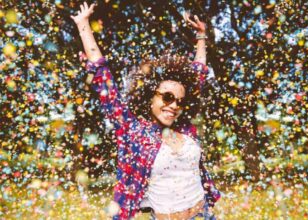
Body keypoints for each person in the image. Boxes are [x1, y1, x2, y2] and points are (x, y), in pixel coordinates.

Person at [71, 2, 221, 219]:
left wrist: (201, 37)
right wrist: (83, 24)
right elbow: (102, 75)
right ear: (150, 97)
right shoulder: (132, 130)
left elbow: (197, 74)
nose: (174, 105)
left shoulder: (185, 129)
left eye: (179, 101)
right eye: (167, 97)